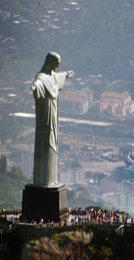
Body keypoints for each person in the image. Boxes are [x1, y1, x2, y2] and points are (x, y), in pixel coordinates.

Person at [31, 52, 74, 186]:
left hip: (54, 116)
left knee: (53, 143)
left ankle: (51, 180)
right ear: (50, 62)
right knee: (46, 143)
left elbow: (58, 76)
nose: (58, 65)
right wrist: (36, 87)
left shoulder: (53, 76)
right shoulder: (42, 77)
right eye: (57, 63)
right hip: (45, 117)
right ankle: (43, 181)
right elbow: (38, 83)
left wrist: (66, 74)